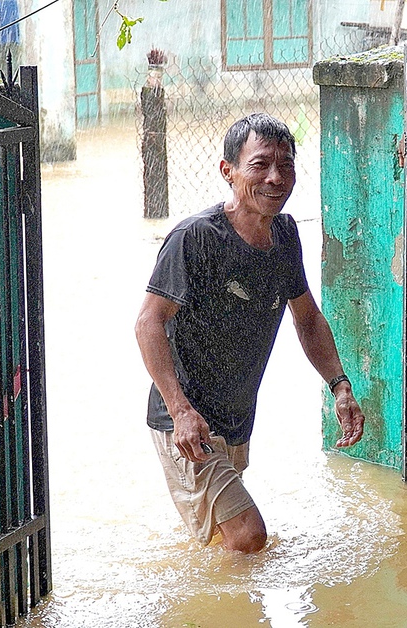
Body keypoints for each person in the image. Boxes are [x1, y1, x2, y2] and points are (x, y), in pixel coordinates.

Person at [135, 113, 366, 553]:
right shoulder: (194, 237)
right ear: (229, 171)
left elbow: (307, 318)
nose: (275, 178)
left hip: (237, 419)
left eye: (286, 165)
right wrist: (181, 410)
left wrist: (339, 386)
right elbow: (148, 322)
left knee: (222, 543)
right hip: (185, 420)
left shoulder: (284, 234)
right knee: (248, 537)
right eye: (260, 165)